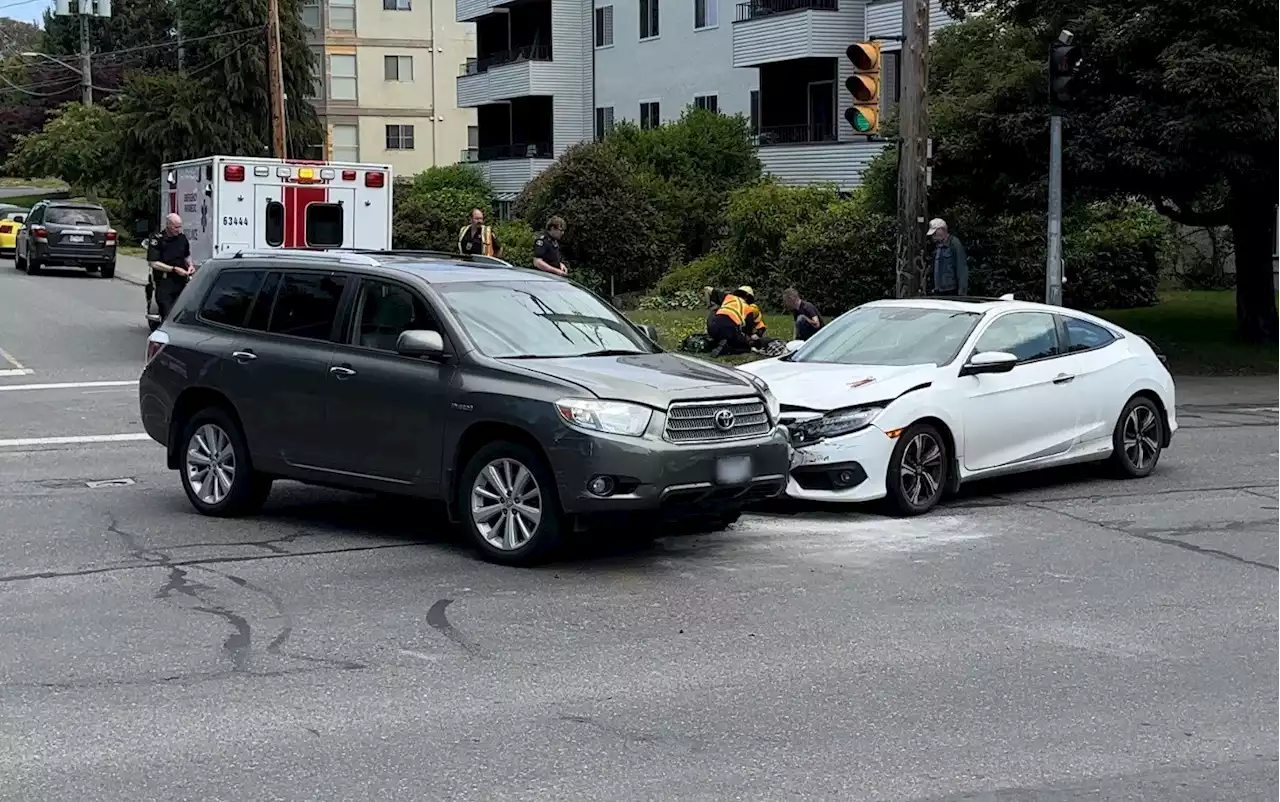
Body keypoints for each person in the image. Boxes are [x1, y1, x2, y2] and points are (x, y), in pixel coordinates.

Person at [147, 213, 193, 322]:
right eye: (175, 227)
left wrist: (190, 265)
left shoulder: (182, 238)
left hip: (181, 282)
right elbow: (153, 262)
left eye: (180, 226)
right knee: (167, 315)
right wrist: (173, 269)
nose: (178, 229)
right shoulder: (157, 239)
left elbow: (186, 255)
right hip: (165, 282)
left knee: (182, 314)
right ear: (168, 225)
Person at [707, 285, 757, 357]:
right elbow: (748, 332)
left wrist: (708, 305)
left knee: (715, 311)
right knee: (745, 345)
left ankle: (715, 342)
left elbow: (708, 289)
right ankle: (727, 348)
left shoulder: (728, 297)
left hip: (712, 327)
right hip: (728, 329)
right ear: (747, 297)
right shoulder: (748, 309)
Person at [927, 218, 968, 296]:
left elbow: (961, 268)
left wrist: (962, 292)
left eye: (935, 232)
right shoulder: (937, 246)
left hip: (951, 291)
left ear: (942, 230)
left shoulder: (954, 244)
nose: (933, 236)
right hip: (938, 290)